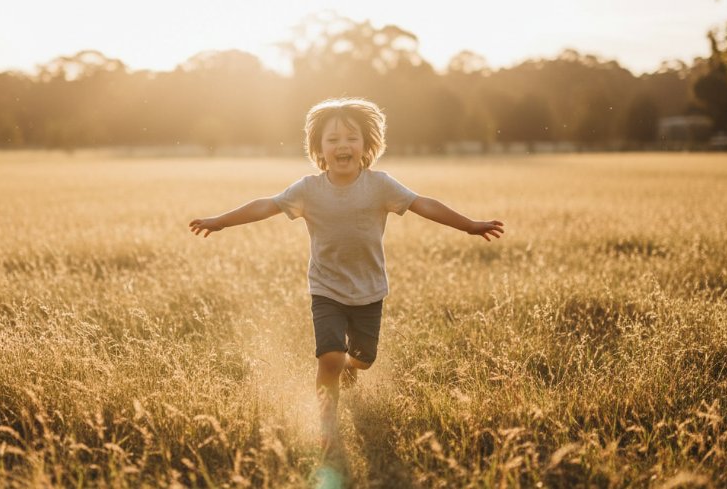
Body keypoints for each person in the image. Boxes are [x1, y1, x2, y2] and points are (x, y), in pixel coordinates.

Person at [188, 97, 504, 461]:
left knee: (363, 358)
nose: (342, 146)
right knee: (330, 357)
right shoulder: (308, 189)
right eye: (332, 139)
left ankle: (354, 368)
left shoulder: (380, 185)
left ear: (367, 145)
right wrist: (220, 220)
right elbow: (266, 205)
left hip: (370, 290)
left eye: (351, 138)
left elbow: (422, 204)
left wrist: (469, 225)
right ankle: (327, 423)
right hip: (326, 289)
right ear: (318, 149)